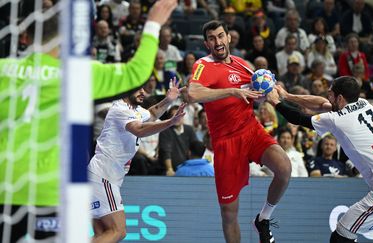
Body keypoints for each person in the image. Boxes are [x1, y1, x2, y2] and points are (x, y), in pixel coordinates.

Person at [0, 0, 178, 242]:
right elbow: (136, 71)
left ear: (24, 37)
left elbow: (149, 110)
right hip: (49, 190)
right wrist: (154, 22)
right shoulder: (79, 74)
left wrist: (167, 103)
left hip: (5, 186)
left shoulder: (4, 70)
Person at [266, 76, 373, 243]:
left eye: (330, 94)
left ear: (340, 98)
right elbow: (321, 104)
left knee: (342, 235)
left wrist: (275, 103)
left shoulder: (337, 120)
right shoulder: (365, 104)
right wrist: (287, 95)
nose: (328, 97)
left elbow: (297, 118)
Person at [187, 20, 291, 243]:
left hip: (251, 130)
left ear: (229, 38)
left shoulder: (242, 64)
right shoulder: (203, 65)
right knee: (228, 212)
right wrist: (231, 92)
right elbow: (193, 93)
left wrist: (272, 91)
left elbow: (258, 88)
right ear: (207, 44)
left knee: (284, 168)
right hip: (226, 143)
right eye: (212, 38)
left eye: (221, 36)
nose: (218, 42)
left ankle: (263, 219)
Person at [88, 80, 185, 242]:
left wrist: (169, 100)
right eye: (137, 89)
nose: (143, 92)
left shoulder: (136, 111)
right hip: (103, 176)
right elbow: (139, 130)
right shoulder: (120, 109)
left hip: (101, 176)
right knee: (118, 231)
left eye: (143, 89)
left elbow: (152, 114)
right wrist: (170, 122)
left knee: (102, 233)